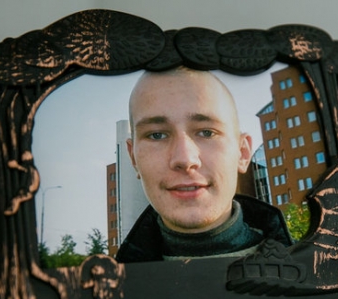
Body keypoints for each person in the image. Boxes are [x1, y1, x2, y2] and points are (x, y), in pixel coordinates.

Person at [115, 67, 292, 263]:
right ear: (133, 158)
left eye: (207, 133)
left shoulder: (313, 273)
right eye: (157, 135)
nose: (185, 159)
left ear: (242, 153)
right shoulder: (108, 282)